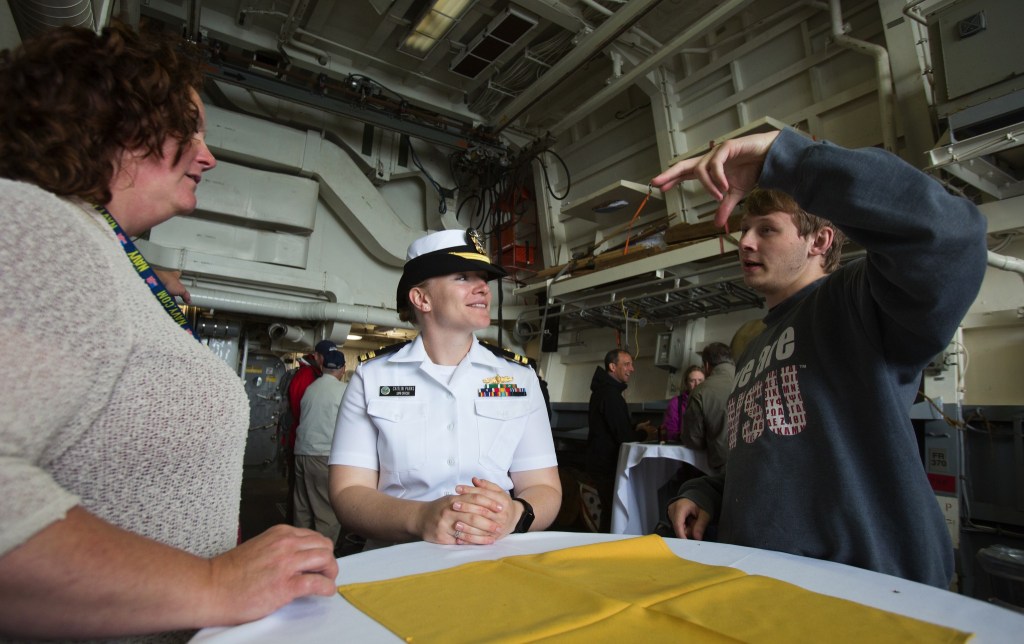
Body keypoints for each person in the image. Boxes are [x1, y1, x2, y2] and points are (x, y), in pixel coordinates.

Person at [0, 22, 338, 641]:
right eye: (190, 132)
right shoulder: (40, 226)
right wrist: (212, 586)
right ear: (118, 125)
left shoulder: (101, 247)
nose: (207, 156)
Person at [652, 128, 987, 588]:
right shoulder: (754, 348)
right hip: (768, 588)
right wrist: (707, 492)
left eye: (767, 228)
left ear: (821, 241)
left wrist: (786, 158)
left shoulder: (858, 302)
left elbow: (951, 236)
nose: (745, 242)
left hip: (866, 592)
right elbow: (768, 456)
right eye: (745, 229)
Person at [328, 229, 561, 548]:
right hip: (397, 562)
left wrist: (516, 514)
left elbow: (544, 486)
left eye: (483, 278)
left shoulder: (519, 377)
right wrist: (419, 518)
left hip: (495, 558)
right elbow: (347, 494)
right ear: (421, 298)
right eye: (463, 277)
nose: (483, 288)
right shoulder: (373, 378)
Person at [585, 349, 657, 531]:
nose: (631, 368)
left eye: (631, 364)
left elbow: (613, 427)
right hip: (606, 466)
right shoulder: (610, 395)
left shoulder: (606, 391)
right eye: (626, 364)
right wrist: (644, 435)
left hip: (601, 463)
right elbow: (623, 437)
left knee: (609, 512)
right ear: (612, 366)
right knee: (611, 514)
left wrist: (635, 428)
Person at [293, 349, 348, 545]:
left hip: (301, 453)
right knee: (326, 513)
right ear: (343, 369)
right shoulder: (344, 391)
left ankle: (299, 554)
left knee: (302, 509)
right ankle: (320, 559)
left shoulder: (311, 388)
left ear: (322, 366)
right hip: (323, 455)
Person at [283, 338, 336, 520]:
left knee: (304, 501)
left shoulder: (316, 376)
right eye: (326, 356)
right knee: (302, 501)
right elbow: (302, 414)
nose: (328, 360)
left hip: (306, 445)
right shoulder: (306, 376)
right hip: (303, 445)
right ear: (317, 356)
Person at [679, 342, 735, 473]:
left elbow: (693, 440)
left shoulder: (701, 391)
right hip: (763, 461)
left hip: (726, 467)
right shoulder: (753, 378)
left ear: (707, 365)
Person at [660, 365, 705, 442]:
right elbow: (670, 431)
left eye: (700, 380)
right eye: (692, 381)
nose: (697, 384)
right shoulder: (676, 403)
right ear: (686, 383)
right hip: (682, 446)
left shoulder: (710, 402)